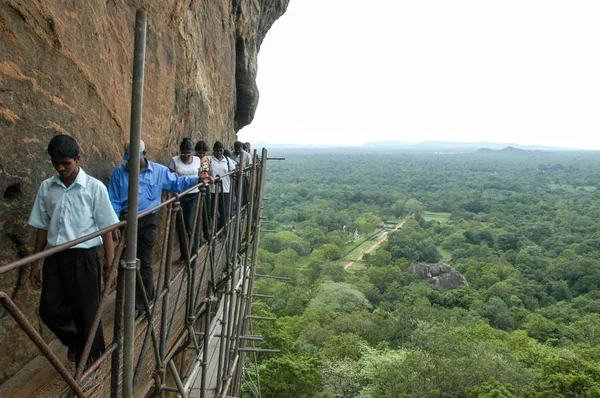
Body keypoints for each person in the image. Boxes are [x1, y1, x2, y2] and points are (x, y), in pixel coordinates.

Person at [28, 134, 119, 367]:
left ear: (77, 159)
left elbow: (107, 228)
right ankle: (79, 344)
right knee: (49, 311)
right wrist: (34, 262)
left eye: (66, 163)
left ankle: (92, 363)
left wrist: (110, 264)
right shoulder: (47, 188)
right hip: (55, 257)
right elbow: (41, 226)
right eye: (55, 163)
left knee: (88, 314)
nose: (60, 168)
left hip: (83, 258)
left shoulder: (94, 188)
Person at [108, 139, 200, 315]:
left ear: (145, 153)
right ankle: (127, 304)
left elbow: (177, 183)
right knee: (126, 262)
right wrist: (114, 224)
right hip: (125, 222)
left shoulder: (158, 171)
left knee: (144, 261)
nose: (132, 163)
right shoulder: (119, 173)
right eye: (129, 159)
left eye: (135, 158)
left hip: (147, 221)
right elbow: (113, 200)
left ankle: (144, 303)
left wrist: (199, 179)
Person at [168, 138, 201, 260]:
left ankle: (192, 254)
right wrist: (169, 198)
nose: (185, 155)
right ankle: (184, 254)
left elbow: (200, 174)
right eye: (183, 152)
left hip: (194, 195)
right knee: (180, 226)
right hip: (179, 196)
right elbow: (169, 179)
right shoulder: (174, 161)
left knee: (190, 225)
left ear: (192, 152)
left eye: (188, 153)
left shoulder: (197, 160)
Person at [210, 141, 237, 230]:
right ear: (213, 150)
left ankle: (222, 230)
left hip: (225, 188)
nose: (219, 153)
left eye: (221, 150)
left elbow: (234, 171)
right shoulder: (209, 159)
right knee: (213, 211)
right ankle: (214, 231)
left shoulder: (228, 160)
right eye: (217, 150)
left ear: (223, 150)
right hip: (212, 189)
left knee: (224, 210)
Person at [195, 140, 214, 238]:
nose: (201, 154)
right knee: (197, 213)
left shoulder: (208, 159)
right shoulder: (193, 159)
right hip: (195, 187)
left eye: (203, 153)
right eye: (199, 152)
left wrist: (209, 178)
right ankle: (197, 237)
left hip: (205, 187)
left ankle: (207, 234)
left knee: (207, 210)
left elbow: (209, 172)